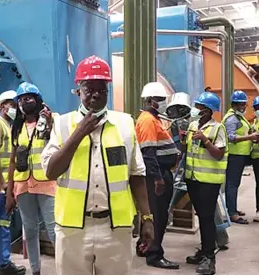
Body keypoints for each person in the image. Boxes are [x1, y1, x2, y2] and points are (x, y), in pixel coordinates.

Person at [41, 55, 154, 275]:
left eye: (101, 89)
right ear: (78, 90)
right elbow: (51, 172)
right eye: (88, 88)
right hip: (72, 229)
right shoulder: (63, 125)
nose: (94, 94)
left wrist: (147, 217)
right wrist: (79, 133)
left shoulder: (124, 124)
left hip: (114, 228)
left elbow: (136, 175)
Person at [5, 82, 56, 275]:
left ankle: (65, 268)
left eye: (29, 98)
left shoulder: (52, 121)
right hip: (23, 186)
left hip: (47, 184)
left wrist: (49, 122)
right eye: (21, 99)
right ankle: (35, 271)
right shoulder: (16, 128)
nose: (25, 102)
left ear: (38, 100)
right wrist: (9, 192)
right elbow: (11, 161)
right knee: (31, 229)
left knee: (53, 230)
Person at [135, 82, 180, 270]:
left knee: (155, 214)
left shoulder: (155, 119)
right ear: (149, 100)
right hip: (157, 175)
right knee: (158, 216)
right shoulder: (147, 120)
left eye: (163, 99)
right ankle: (154, 254)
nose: (162, 102)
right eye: (159, 99)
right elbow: (148, 153)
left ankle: (144, 246)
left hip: (161, 172)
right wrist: (158, 179)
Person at [185, 92, 228, 275]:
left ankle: (209, 257)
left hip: (209, 181)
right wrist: (183, 139)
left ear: (209, 111)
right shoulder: (193, 125)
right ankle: (203, 250)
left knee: (206, 217)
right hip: (193, 178)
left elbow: (218, 154)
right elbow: (190, 149)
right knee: (201, 216)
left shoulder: (218, 128)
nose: (196, 109)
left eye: (200, 107)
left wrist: (205, 140)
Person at [0, 90, 26, 275]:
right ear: (3, 106)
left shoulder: (10, 126)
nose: (15, 108)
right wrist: (0, 182)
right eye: (12, 105)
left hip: (6, 186)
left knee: (3, 224)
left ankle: (3, 263)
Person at [222, 90, 257, 224]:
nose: (243, 107)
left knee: (233, 184)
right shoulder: (232, 118)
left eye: (244, 104)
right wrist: (250, 137)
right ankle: (232, 213)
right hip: (234, 155)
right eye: (241, 104)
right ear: (234, 104)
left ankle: (232, 208)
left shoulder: (238, 117)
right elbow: (231, 138)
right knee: (232, 184)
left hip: (239, 155)